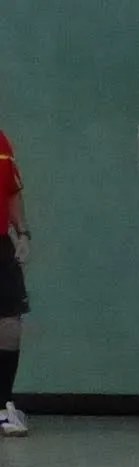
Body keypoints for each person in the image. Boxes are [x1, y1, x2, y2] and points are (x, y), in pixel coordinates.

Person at [0, 122, 29, 438]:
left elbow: (12, 191)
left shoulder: (1, 142)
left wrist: (22, 233)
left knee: (9, 322)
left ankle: (2, 405)